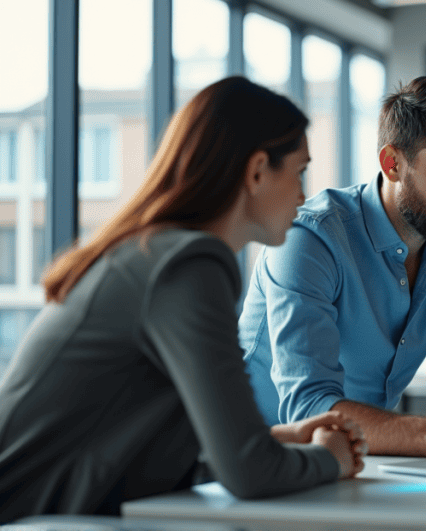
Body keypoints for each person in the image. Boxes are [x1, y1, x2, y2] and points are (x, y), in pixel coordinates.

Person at [0, 77, 366, 521]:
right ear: (256, 171)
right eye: (298, 171)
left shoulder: (154, 253)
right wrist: (332, 460)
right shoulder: (188, 265)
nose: (303, 194)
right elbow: (249, 473)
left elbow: (151, 443)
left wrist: (282, 438)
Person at [239, 75, 426, 459]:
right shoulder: (310, 240)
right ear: (392, 163)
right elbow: (311, 407)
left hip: (357, 461)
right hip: (257, 464)